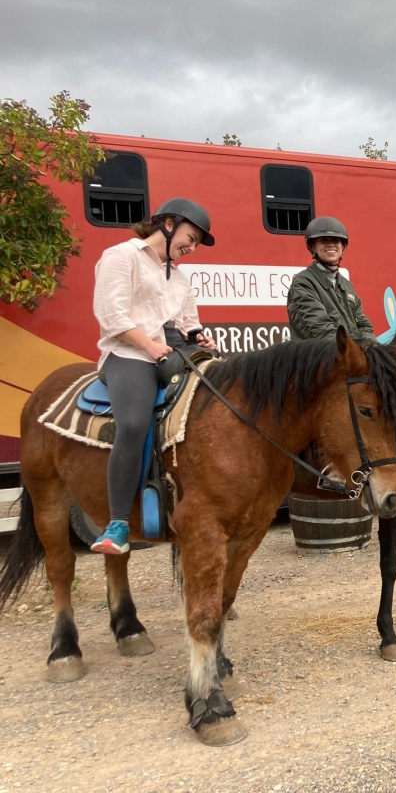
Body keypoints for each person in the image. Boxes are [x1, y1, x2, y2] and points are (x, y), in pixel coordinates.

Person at [90, 198, 219, 555]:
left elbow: (188, 322)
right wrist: (148, 345)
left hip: (171, 353)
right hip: (129, 354)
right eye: (191, 238)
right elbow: (111, 316)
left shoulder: (178, 276)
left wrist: (200, 338)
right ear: (168, 224)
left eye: (196, 243)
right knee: (133, 423)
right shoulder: (122, 256)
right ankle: (117, 524)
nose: (192, 247)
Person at [286, 216, 376, 342]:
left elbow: (364, 326)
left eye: (336, 240)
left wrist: (373, 347)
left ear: (343, 246)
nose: (331, 245)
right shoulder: (303, 283)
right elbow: (320, 330)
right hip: (322, 353)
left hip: (348, 351)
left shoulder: (346, 285)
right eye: (324, 240)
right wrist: (354, 349)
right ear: (313, 246)